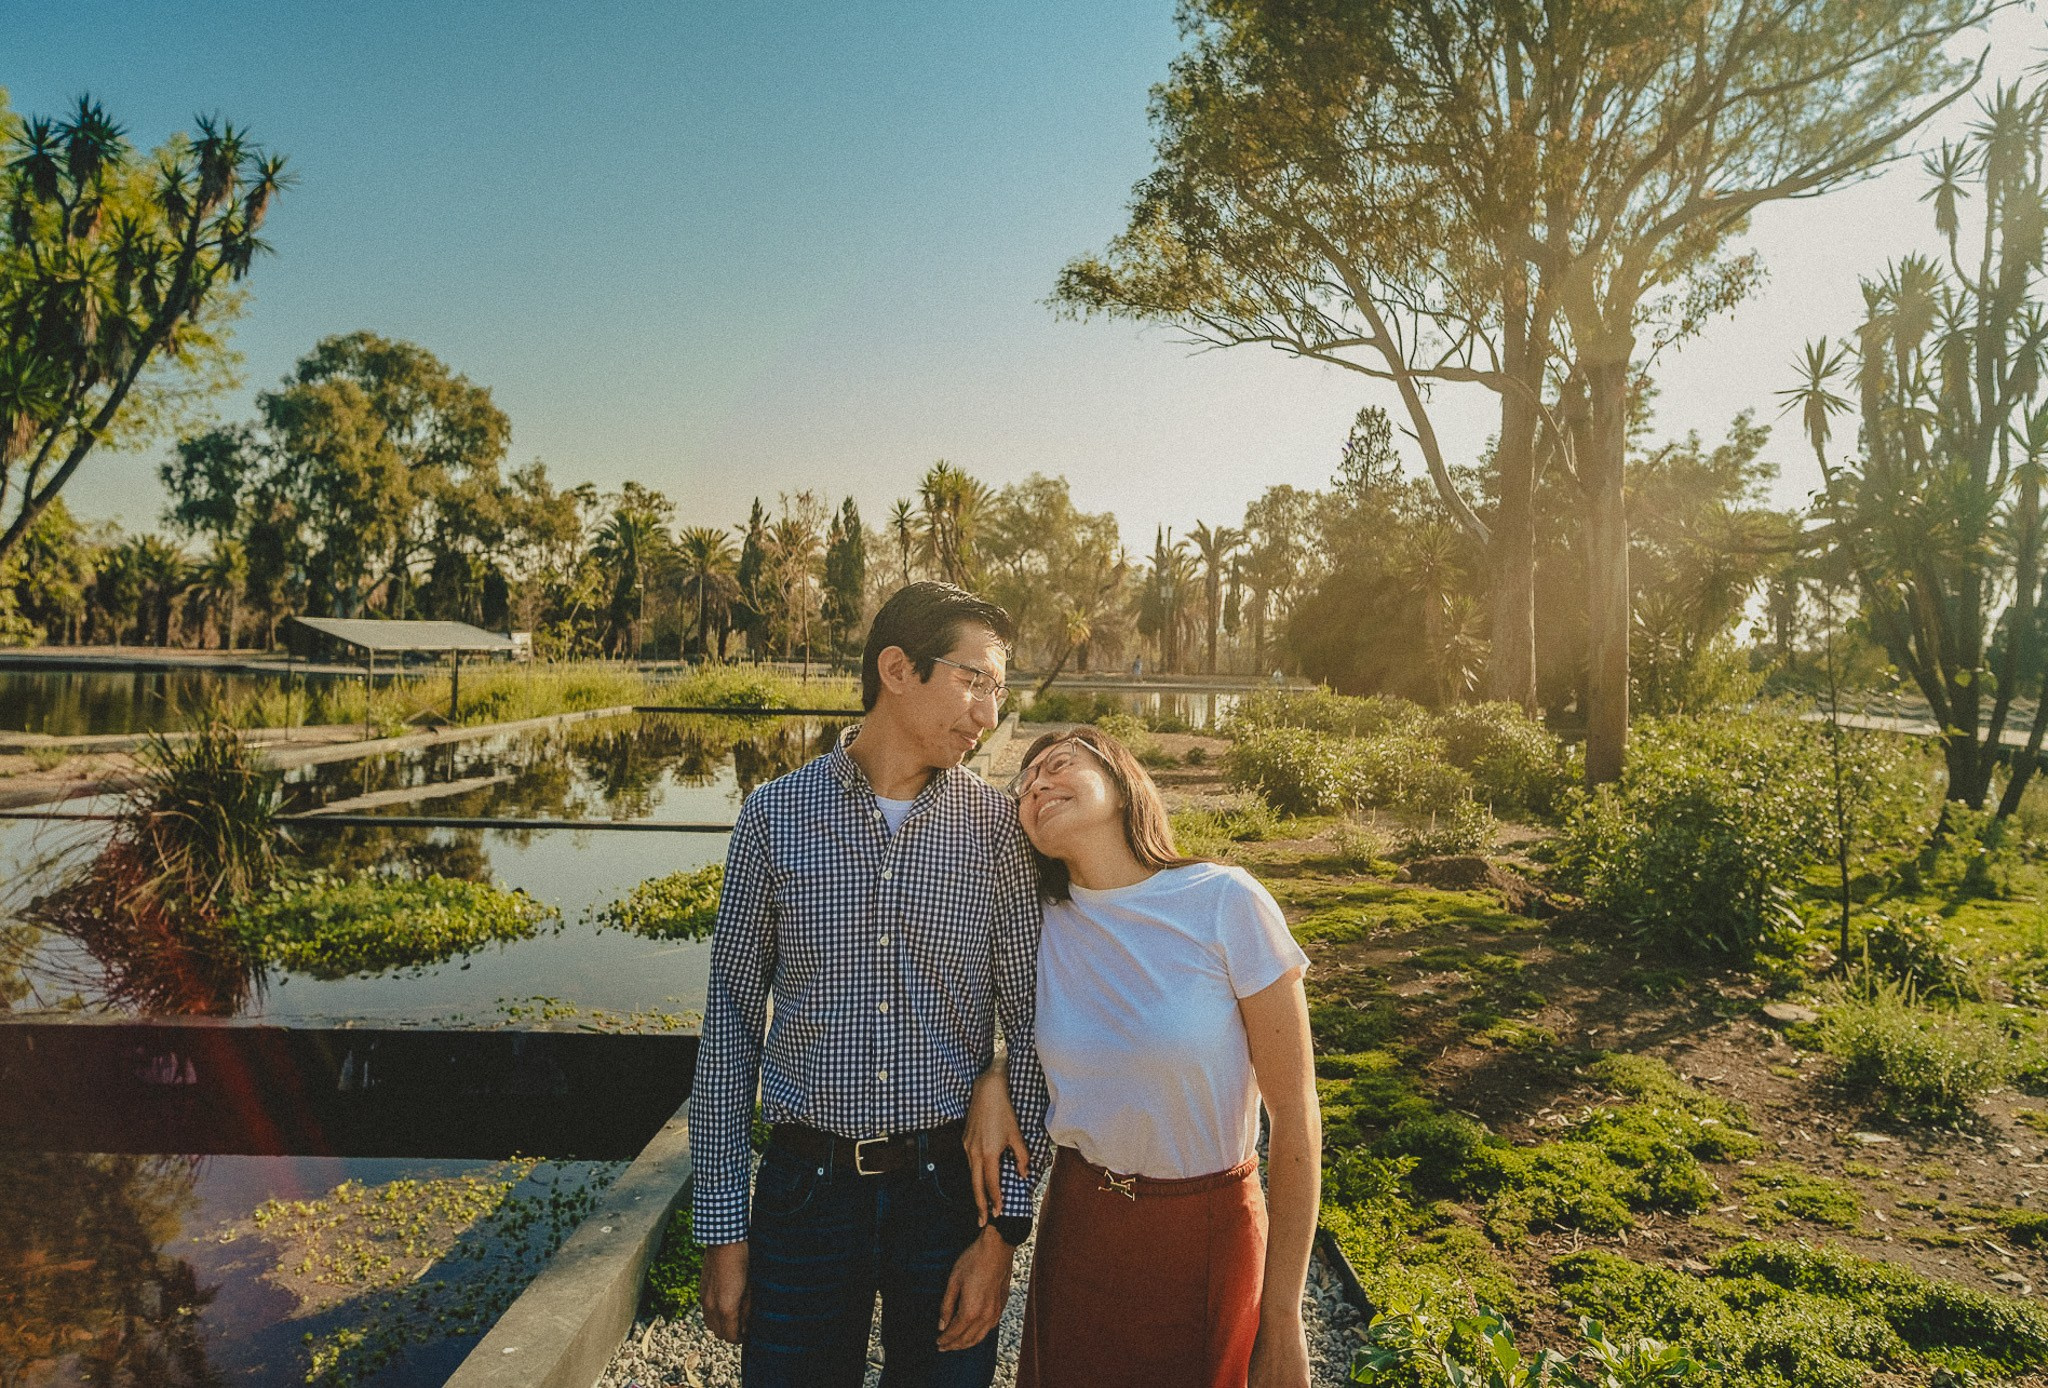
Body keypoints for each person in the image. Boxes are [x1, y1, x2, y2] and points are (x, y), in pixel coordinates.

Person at [691, 581, 1051, 1388]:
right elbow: (730, 1033)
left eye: (999, 689)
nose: (989, 714)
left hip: (949, 1194)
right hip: (804, 1195)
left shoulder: (994, 831)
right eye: (975, 681)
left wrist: (1003, 1235)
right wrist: (722, 1232)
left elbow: (1031, 1029)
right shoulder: (774, 817)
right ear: (897, 667)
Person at [965, 727, 1319, 1388]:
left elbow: (1296, 1115)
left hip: (1205, 1229)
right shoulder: (1041, 923)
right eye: (1026, 786)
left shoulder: (1224, 902)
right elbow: (1046, 1037)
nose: (1038, 784)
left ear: (1123, 782)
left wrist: (1284, 1316)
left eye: (1060, 764)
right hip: (1079, 1227)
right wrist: (995, 1075)